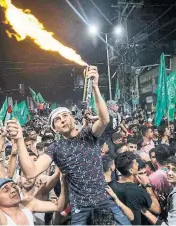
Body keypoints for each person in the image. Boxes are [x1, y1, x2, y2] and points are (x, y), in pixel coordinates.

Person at [12, 66, 131, 225]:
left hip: (103, 200)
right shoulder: (55, 148)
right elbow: (30, 171)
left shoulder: (88, 135)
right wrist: (20, 139)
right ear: (55, 128)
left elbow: (104, 119)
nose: (62, 119)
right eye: (57, 119)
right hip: (80, 208)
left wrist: (95, 86)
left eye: (65, 115)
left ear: (73, 119)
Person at [0, 131, 68, 225]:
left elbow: (59, 207)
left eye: (13, 186)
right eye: (5, 190)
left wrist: (63, 182)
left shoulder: (27, 205)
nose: (12, 190)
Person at [142, 156, 176, 225]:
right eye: (168, 168)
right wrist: (167, 203)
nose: (169, 173)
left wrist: (145, 212)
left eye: (175, 170)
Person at [110, 152, 160, 224]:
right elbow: (157, 210)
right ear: (131, 170)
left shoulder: (111, 186)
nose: (137, 164)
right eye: (135, 163)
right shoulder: (138, 191)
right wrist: (148, 187)